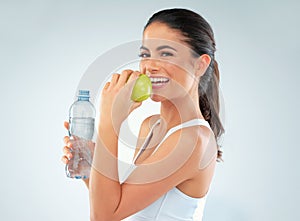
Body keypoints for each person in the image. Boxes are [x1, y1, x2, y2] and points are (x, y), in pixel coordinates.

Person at [62, 8, 224, 221]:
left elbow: (103, 217)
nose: (150, 66)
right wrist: (92, 167)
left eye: (165, 53)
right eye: (145, 55)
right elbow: (121, 206)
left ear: (199, 65)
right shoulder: (152, 126)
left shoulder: (192, 139)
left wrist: (110, 121)